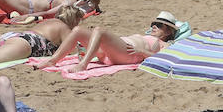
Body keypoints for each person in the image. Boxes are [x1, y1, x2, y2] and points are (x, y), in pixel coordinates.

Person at [37, 11, 181, 72]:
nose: (154, 26)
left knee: (99, 30)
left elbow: (165, 59)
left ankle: (83, 64)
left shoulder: (165, 44)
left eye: (160, 25)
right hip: (113, 52)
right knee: (78, 30)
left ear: (168, 31)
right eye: (153, 24)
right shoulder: (147, 36)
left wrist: (143, 52)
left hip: (130, 54)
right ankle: (53, 60)